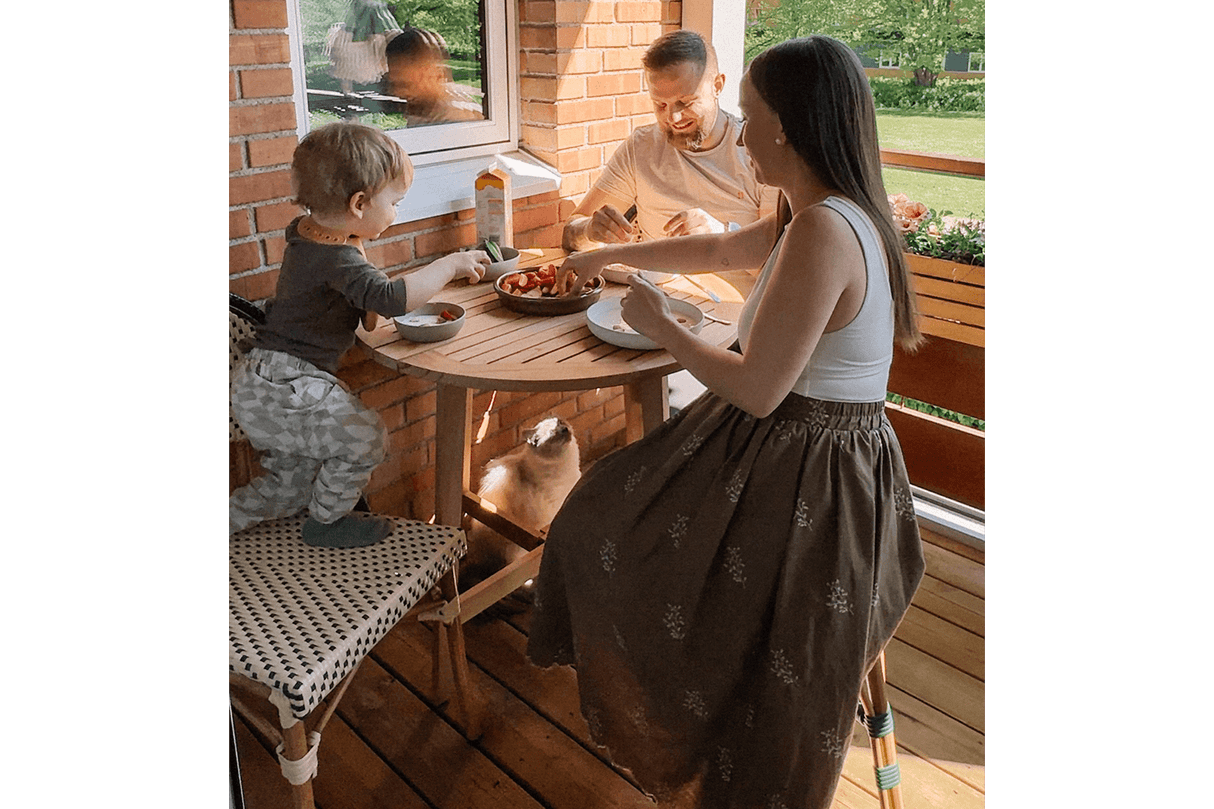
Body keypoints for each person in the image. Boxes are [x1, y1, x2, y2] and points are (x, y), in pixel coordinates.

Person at [527, 36, 927, 808]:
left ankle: (683, 709)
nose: (740, 134)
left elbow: (762, 389)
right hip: (823, 454)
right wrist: (604, 262)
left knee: (602, 521)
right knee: (613, 503)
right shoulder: (821, 210)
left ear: (790, 127)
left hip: (806, 472)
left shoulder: (823, 231)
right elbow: (712, 245)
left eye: (750, 117)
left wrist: (660, 320)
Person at [230, 121, 490, 548]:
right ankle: (327, 523)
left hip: (262, 383)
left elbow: (364, 303)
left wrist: (363, 264)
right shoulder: (336, 258)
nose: (396, 213)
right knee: (366, 436)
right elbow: (389, 299)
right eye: (394, 202)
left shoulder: (307, 230)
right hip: (285, 383)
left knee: (289, 488)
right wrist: (451, 264)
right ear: (359, 203)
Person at [561, 30, 778, 253]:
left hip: (732, 288)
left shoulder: (757, 151)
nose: (673, 118)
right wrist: (588, 230)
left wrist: (722, 235)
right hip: (653, 286)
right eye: (660, 105)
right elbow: (570, 233)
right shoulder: (641, 148)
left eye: (685, 102)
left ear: (717, 86)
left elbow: (778, 259)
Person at [383, 27, 484, 125]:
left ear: (432, 73)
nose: (395, 92)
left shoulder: (456, 119)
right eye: (393, 83)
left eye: (405, 84)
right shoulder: (425, 110)